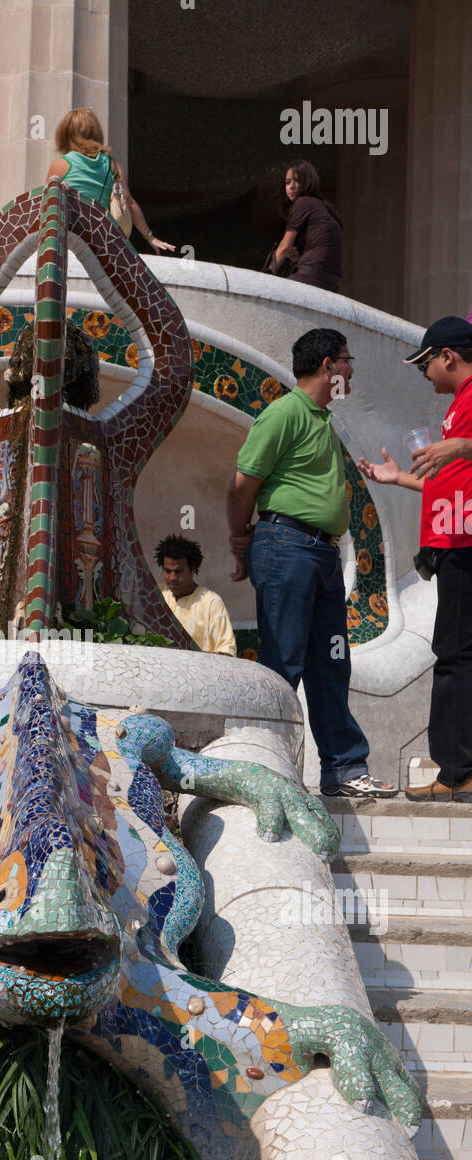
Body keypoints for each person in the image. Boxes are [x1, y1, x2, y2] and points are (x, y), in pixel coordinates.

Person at [226, 327, 396, 798]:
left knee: (332, 661)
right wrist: (241, 540)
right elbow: (242, 486)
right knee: (284, 663)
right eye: (347, 361)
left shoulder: (321, 418)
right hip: (287, 546)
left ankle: (343, 769)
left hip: (320, 554)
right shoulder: (283, 414)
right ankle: (273, 770)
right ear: (327, 366)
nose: (351, 370)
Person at [358, 316, 472, 803]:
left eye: (426, 363)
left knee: (455, 657)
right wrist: (397, 479)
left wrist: (463, 444)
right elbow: (450, 483)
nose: (425, 374)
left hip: (466, 548)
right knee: (453, 655)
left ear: (447, 356)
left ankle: (458, 768)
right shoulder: (457, 407)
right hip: (452, 547)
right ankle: (456, 765)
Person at [46, 109, 176, 254]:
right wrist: (150, 237)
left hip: (69, 240)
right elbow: (129, 201)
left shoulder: (60, 165)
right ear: (96, 133)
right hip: (101, 241)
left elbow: (47, 205)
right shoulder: (112, 165)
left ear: (66, 134)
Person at [155, 534, 236, 654]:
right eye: (168, 571)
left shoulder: (211, 602)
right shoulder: (156, 594)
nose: (172, 578)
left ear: (192, 569)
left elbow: (227, 651)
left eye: (178, 571)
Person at [270, 161, 342, 293]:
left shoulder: (303, 202)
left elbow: (284, 246)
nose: (291, 187)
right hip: (330, 283)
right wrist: (298, 257)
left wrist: (266, 274)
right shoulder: (324, 207)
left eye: (296, 180)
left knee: (269, 292)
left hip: (310, 277)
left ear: (308, 182)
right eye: (287, 182)